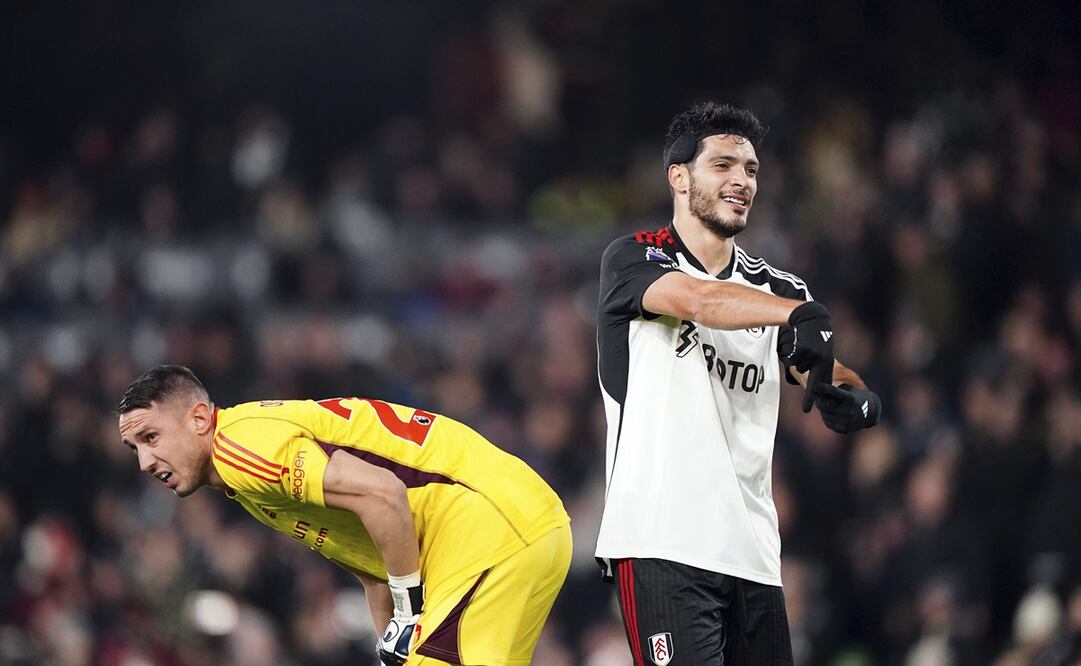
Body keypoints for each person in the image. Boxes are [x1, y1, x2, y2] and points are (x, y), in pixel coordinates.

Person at [594, 102, 882, 664]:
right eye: (722, 165)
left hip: (753, 555)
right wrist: (797, 314)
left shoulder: (778, 288)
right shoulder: (633, 257)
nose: (742, 181)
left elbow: (818, 365)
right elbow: (698, 299)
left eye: (751, 169)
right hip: (661, 542)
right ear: (679, 178)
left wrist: (854, 394)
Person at [117, 365, 571, 666]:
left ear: (199, 419)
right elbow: (374, 557)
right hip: (525, 526)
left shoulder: (239, 450)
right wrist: (391, 637)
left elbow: (385, 494)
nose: (144, 462)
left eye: (151, 437)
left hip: (488, 533)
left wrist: (408, 614)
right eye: (134, 447)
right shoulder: (244, 467)